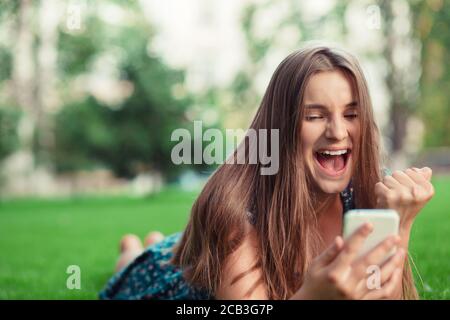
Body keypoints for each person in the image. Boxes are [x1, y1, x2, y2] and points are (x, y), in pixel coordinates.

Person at [99, 44, 434, 300]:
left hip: (198, 252)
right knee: (141, 258)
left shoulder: (368, 191)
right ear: (282, 126)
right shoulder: (233, 213)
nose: (337, 131)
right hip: (167, 281)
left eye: (351, 114)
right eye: (315, 116)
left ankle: (158, 243)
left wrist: (400, 225)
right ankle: (133, 251)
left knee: (172, 245)